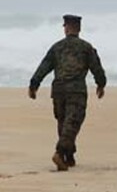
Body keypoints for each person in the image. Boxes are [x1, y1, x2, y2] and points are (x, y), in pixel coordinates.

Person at [29, 14, 106, 171]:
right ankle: (59, 152)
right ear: (78, 28)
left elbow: (44, 66)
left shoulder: (56, 47)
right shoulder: (86, 47)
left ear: (66, 28)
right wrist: (101, 84)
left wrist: (34, 84)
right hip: (76, 90)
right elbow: (96, 67)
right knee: (73, 123)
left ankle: (68, 156)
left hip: (58, 90)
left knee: (63, 123)